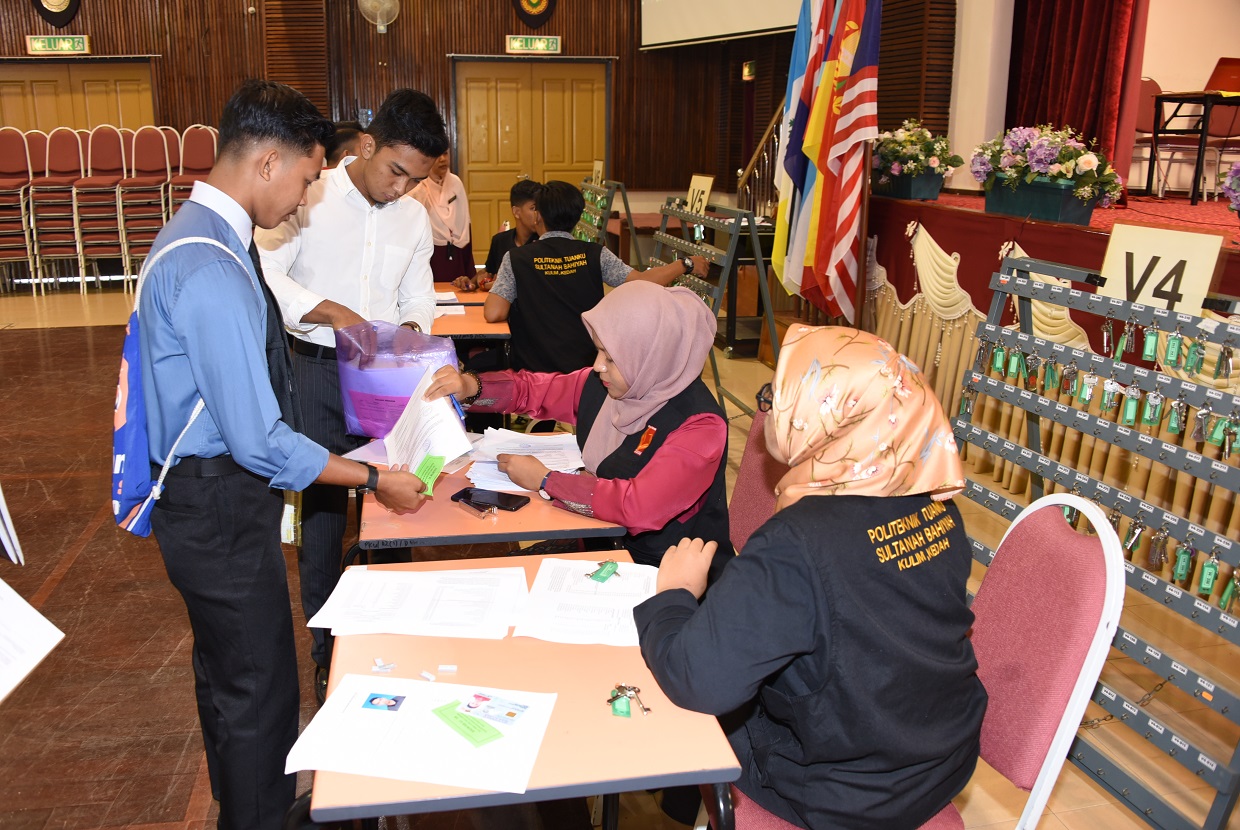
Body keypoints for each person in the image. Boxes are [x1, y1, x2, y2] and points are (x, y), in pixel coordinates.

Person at [138, 80, 427, 830]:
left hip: (209, 497)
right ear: (268, 162)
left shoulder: (198, 237)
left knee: (228, 673)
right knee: (259, 688)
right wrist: (373, 479)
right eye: (303, 180)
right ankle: (259, 814)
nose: (303, 201)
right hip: (218, 504)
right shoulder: (211, 267)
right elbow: (259, 440)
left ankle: (245, 802)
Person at [633, 327, 987, 830]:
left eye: (778, 396)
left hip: (850, 794)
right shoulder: (936, 507)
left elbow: (698, 681)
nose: (770, 408)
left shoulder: (798, 541)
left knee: (680, 703)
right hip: (938, 759)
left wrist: (674, 595)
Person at [255, 87, 448, 702]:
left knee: (395, 504)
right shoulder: (308, 195)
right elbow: (266, 274)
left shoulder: (412, 216)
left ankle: (390, 637)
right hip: (315, 368)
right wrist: (331, 311)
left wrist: (409, 332)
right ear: (366, 145)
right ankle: (329, 653)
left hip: (385, 376)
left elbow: (418, 295)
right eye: (395, 170)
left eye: (415, 178)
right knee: (324, 519)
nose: (401, 188)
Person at [426, 280, 733, 573]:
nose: (598, 366)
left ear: (651, 358)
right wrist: (471, 386)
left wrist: (546, 480)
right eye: (599, 351)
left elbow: (639, 506)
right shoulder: (610, 385)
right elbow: (534, 390)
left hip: (666, 574)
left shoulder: (701, 425)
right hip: (603, 544)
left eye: (611, 358)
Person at [483, 179, 710, 374]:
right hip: (587, 368)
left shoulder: (516, 258)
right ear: (577, 217)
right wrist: (686, 264)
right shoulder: (595, 254)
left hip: (534, 371)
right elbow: (643, 281)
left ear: (538, 217)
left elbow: (494, 313)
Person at [453, 178, 541, 293]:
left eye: (540, 208)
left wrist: (500, 284)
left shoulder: (543, 242)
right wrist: (471, 283)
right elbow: (488, 272)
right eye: (533, 208)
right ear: (516, 212)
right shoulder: (500, 240)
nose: (539, 214)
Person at [409, 150, 475, 281]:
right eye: (437, 155)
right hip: (431, 253)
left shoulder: (456, 182)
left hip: (458, 248)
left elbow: (464, 220)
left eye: (445, 154)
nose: (442, 159)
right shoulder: (418, 188)